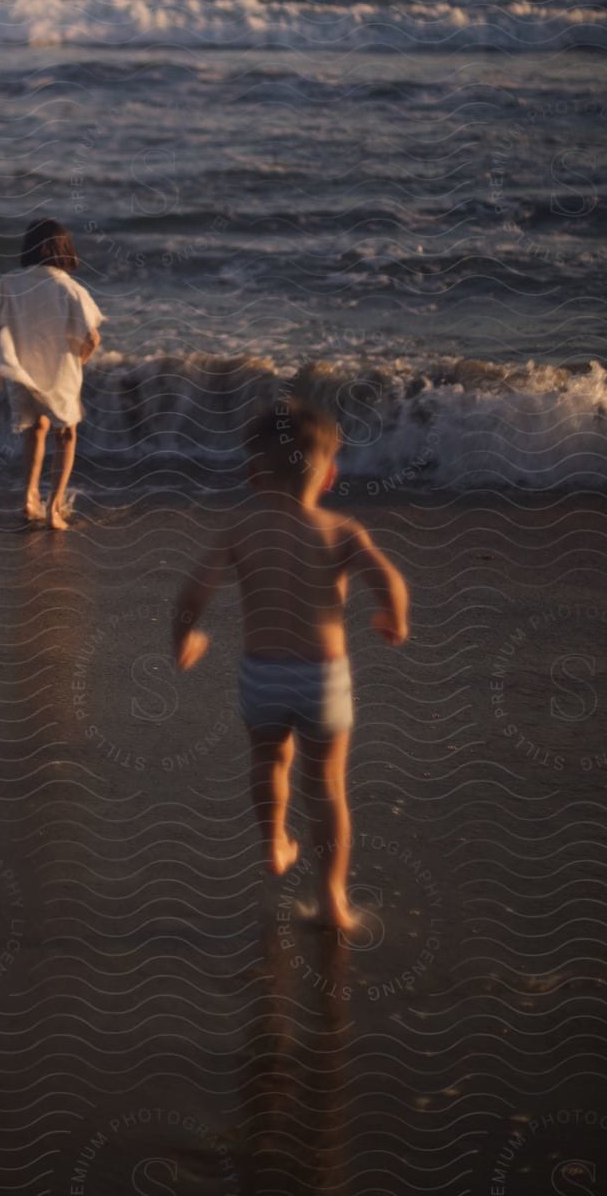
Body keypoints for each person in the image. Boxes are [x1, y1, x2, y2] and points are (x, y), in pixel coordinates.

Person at [170, 398, 409, 932]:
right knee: (326, 785)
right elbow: (386, 577)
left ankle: (275, 842)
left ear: (253, 474)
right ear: (330, 476)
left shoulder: (241, 528)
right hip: (323, 675)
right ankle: (331, 898)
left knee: (269, 763)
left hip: (263, 673)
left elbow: (195, 588)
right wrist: (395, 618)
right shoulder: (341, 530)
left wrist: (184, 637)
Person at [0, 218, 103, 530]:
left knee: (35, 428)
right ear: (65, 249)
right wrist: (79, 361)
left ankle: (28, 498)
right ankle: (53, 508)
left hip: (20, 369)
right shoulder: (70, 288)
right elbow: (92, 338)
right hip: (60, 373)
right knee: (66, 434)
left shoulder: (9, 282)